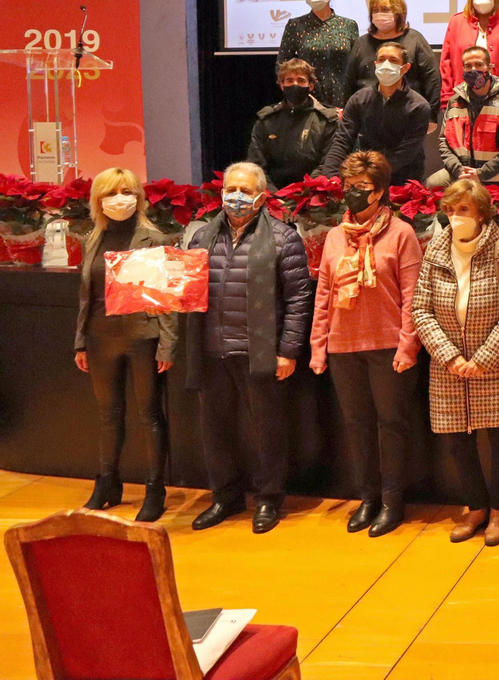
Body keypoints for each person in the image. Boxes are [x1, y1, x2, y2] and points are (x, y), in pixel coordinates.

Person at [185, 162, 312, 535]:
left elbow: (299, 298)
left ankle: (269, 498)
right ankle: (225, 497)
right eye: (230, 189)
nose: (236, 196)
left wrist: (288, 350)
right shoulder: (202, 235)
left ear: (261, 197)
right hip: (211, 349)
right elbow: (188, 289)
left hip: (259, 351)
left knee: (266, 430)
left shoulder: (283, 237)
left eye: (244, 189)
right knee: (215, 430)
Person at [309, 151, 422, 538]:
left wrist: (408, 346)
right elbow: (323, 293)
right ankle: (368, 497)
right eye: (349, 186)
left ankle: (393, 500)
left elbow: (413, 298)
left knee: (391, 425)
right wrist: (317, 347)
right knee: (357, 425)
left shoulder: (402, 233)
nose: (352, 193)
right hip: (343, 345)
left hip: (389, 344)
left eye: (362, 187)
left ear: (380, 192)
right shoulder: (335, 237)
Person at [411, 179, 499, 548]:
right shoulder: (435, 251)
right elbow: (420, 309)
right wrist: (450, 357)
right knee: (456, 442)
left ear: (481, 213)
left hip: (493, 362)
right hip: (448, 365)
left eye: (462, 210)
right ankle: (476, 507)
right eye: (449, 210)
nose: (455, 216)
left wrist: (481, 359)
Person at [72, 168, 176, 523]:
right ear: (99, 201)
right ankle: (107, 484)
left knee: (149, 415)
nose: (120, 199)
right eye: (111, 193)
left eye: (127, 191)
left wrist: (168, 345)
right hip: (100, 338)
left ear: (138, 196)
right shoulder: (93, 238)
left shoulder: (152, 238)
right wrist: (80, 342)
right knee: (108, 416)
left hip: (142, 338)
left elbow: (165, 298)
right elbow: (87, 296)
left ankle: (154, 490)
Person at [320, 41, 433, 185]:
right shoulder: (358, 99)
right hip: (366, 176)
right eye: (381, 59)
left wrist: (372, 174)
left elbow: (406, 153)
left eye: (393, 60)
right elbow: (343, 140)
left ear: (405, 68)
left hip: (404, 178)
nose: (386, 64)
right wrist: (329, 177)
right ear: (375, 64)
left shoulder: (419, 106)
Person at [429, 45, 499, 189]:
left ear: (490, 67)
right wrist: (459, 170)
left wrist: (481, 174)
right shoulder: (454, 101)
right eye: (468, 66)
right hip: (461, 172)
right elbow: (444, 141)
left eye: (479, 64)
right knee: (430, 186)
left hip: (498, 174)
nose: (473, 69)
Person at [247, 58, 340, 190]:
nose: (295, 84)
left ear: (311, 85)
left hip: (313, 194)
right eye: (289, 80)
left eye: (301, 80)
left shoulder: (327, 121)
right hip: (272, 197)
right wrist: (274, 196)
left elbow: (328, 165)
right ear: (281, 85)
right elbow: (256, 165)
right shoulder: (266, 121)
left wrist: (303, 194)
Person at [344, 0, 441, 114]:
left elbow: (432, 79)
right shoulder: (361, 43)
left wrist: (431, 115)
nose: (379, 14)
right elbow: (349, 81)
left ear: (398, 13)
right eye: (375, 10)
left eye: (385, 10)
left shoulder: (415, 39)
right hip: (367, 115)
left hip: (409, 113)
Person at [276, 0, 360, 109]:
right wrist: (294, 92)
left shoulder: (348, 25)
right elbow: (281, 65)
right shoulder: (295, 25)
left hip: (343, 97)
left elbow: (356, 65)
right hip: (306, 98)